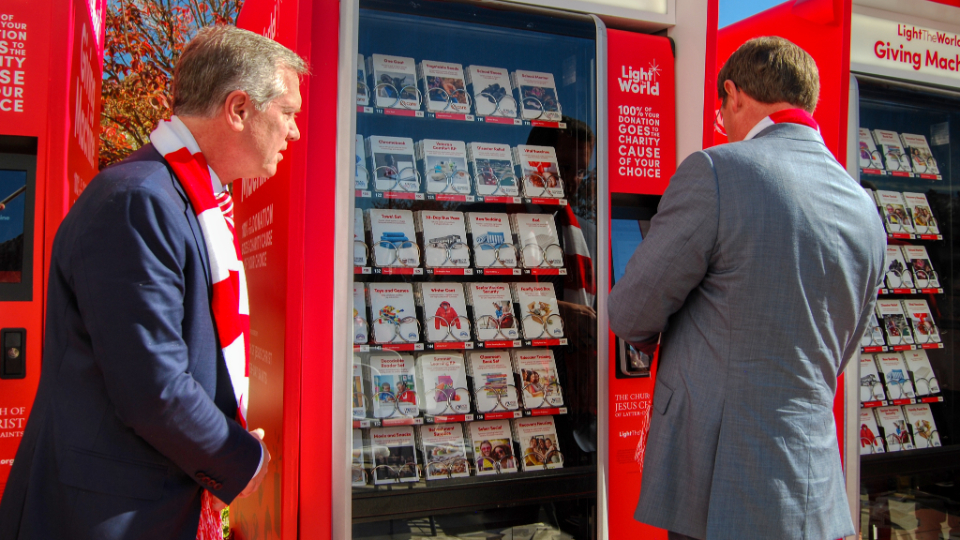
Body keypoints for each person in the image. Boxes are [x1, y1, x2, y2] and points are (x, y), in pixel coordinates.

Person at [0, 26, 307, 540]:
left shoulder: (175, 196)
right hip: (107, 515)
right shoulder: (139, 199)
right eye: (288, 112)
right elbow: (152, 387)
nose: (294, 132)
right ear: (238, 109)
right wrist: (240, 457)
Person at [608, 36, 885, 540]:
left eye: (722, 110)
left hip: (718, 480)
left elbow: (629, 311)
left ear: (734, 95)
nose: (723, 123)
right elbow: (843, 344)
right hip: (812, 487)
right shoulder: (864, 208)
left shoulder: (717, 170)